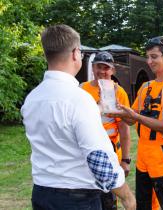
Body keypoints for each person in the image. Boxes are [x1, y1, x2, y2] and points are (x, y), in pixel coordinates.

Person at [21, 24, 136, 210]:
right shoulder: (80, 99)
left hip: (42, 193)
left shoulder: (32, 99)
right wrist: (128, 197)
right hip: (77, 198)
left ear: (46, 55)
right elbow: (98, 159)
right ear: (76, 53)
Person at [109, 36, 163, 210]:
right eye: (148, 57)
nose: (149, 61)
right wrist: (115, 109)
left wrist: (136, 117)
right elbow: (131, 120)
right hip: (143, 157)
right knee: (144, 206)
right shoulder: (146, 87)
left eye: (154, 56)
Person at [80, 51, 131, 210]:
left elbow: (124, 129)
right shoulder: (82, 89)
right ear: (93, 68)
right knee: (88, 199)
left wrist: (125, 160)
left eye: (106, 68)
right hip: (86, 154)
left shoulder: (119, 92)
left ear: (112, 70)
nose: (102, 71)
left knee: (108, 201)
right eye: (98, 67)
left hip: (110, 155)